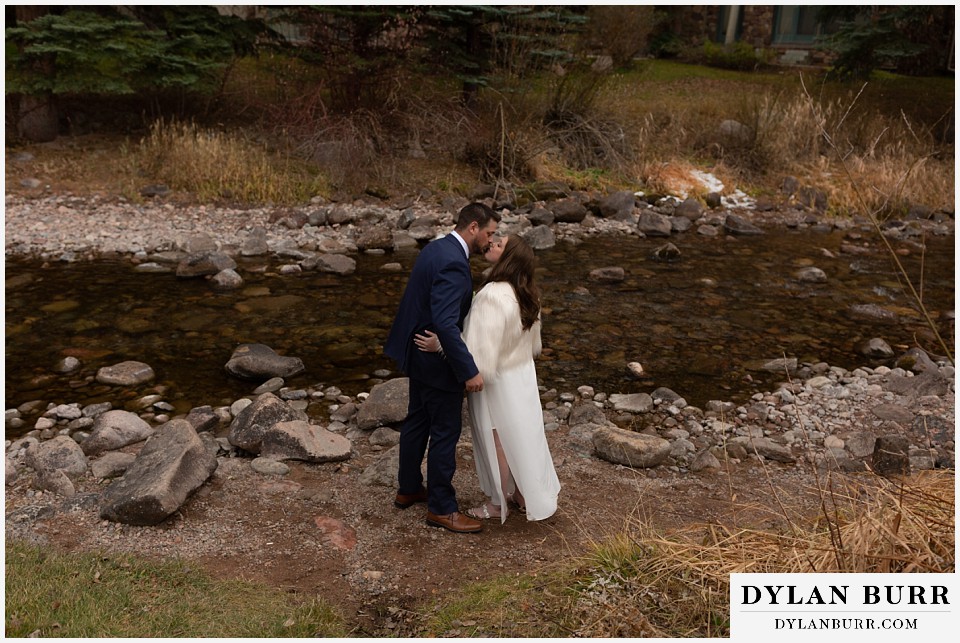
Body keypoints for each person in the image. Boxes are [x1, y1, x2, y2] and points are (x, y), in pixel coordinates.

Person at [415, 234, 560, 524]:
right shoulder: (527, 291)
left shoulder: (492, 294)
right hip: (522, 374)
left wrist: (441, 344)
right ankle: (522, 493)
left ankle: (497, 503)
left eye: (500, 244)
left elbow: (478, 350)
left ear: (509, 258)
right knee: (523, 434)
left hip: (498, 381)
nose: (492, 244)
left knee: (498, 438)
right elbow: (528, 342)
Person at [383, 202, 501, 534]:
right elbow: (446, 324)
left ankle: (408, 488)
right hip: (436, 363)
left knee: (417, 423)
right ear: (474, 227)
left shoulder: (436, 248)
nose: (490, 242)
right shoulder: (454, 263)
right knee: (445, 433)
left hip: (418, 355)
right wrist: (468, 370)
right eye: (489, 234)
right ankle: (441, 508)